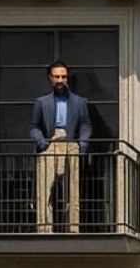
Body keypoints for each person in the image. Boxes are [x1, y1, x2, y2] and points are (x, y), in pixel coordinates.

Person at [28, 59, 92, 231]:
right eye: (56, 77)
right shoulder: (41, 102)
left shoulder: (79, 102)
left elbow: (86, 125)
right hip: (50, 143)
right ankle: (44, 228)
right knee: (44, 189)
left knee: (72, 189)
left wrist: (82, 143)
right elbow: (34, 127)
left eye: (63, 76)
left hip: (71, 143)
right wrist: (42, 142)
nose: (60, 80)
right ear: (50, 78)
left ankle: (73, 229)